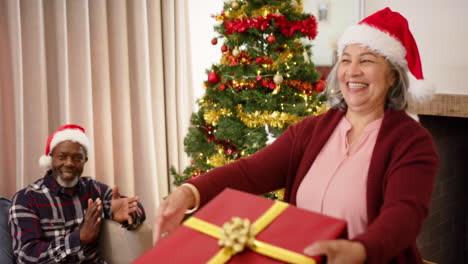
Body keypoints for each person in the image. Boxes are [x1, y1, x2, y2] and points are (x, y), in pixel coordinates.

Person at [153, 7, 439, 264]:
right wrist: (190, 191)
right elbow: (249, 172)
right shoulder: (311, 131)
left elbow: (404, 215)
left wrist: (359, 250)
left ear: (392, 76)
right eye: (346, 59)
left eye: (366, 61)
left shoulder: (412, 142)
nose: (352, 71)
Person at [9, 124, 146, 263]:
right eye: (62, 157)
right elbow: (26, 256)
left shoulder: (94, 189)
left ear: (85, 161)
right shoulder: (26, 199)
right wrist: (79, 238)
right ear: (51, 159)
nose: (69, 163)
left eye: (77, 158)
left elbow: (133, 207)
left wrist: (129, 214)